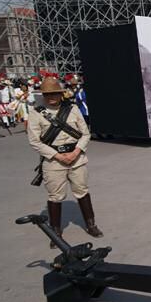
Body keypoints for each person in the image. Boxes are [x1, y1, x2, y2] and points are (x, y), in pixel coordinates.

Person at [27, 76, 103, 245]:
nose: (51, 97)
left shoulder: (73, 109)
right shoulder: (36, 113)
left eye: (54, 93)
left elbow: (85, 133)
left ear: (61, 94)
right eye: (47, 94)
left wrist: (76, 151)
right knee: (55, 196)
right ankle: (56, 232)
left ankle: (91, 224)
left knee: (82, 191)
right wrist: (58, 156)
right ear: (43, 95)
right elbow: (34, 141)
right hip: (53, 160)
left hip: (76, 158)